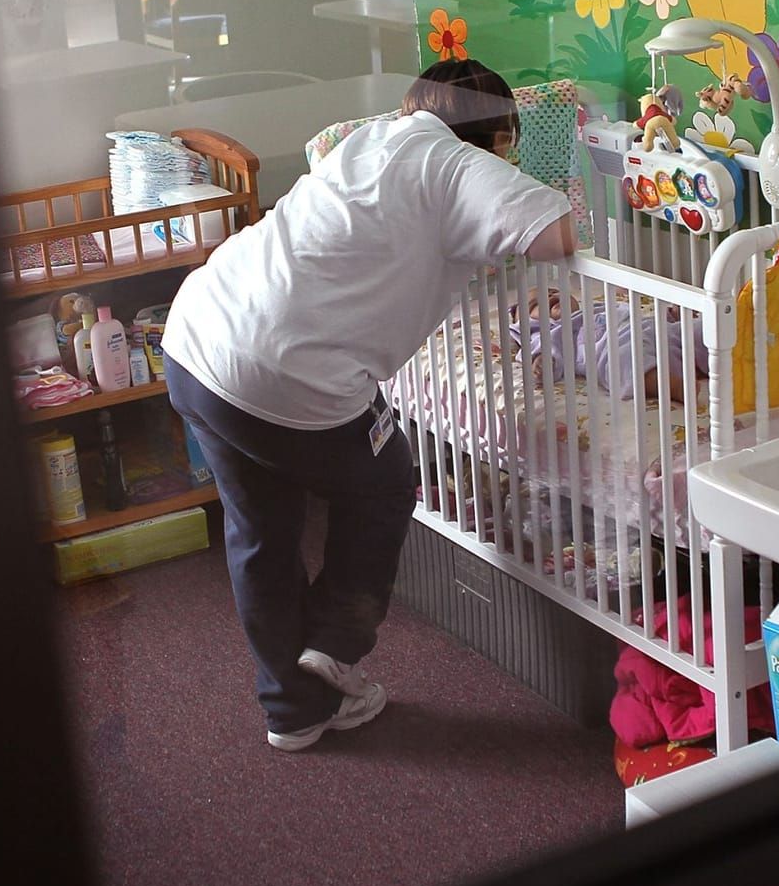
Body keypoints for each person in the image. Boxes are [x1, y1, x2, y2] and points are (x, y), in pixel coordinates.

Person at [163, 59, 576, 751]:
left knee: (261, 533)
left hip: (197, 339)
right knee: (384, 481)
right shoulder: (458, 164)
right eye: (507, 141)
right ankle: (336, 641)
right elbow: (556, 237)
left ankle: (293, 713)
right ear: (497, 135)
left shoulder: (367, 142)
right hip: (287, 374)